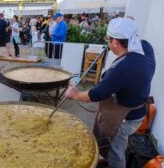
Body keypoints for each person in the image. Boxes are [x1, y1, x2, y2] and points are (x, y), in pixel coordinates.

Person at [65, 18, 156, 168]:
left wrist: (75, 94)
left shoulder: (122, 69)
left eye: (108, 39)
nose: (107, 42)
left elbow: (96, 94)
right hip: (139, 109)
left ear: (115, 42)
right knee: (121, 143)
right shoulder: (145, 46)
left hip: (124, 118)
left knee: (115, 151)